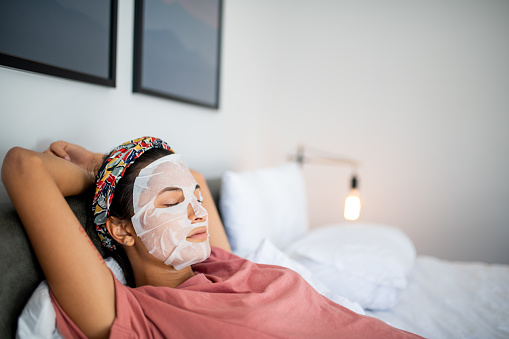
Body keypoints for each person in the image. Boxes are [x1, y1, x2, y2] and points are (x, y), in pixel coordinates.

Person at [2, 137, 424, 339]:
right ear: (122, 229)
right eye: (171, 203)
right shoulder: (130, 315)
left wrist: (110, 164)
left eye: (196, 200)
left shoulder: (217, 262)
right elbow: (23, 167)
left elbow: (196, 179)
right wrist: (104, 176)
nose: (196, 210)